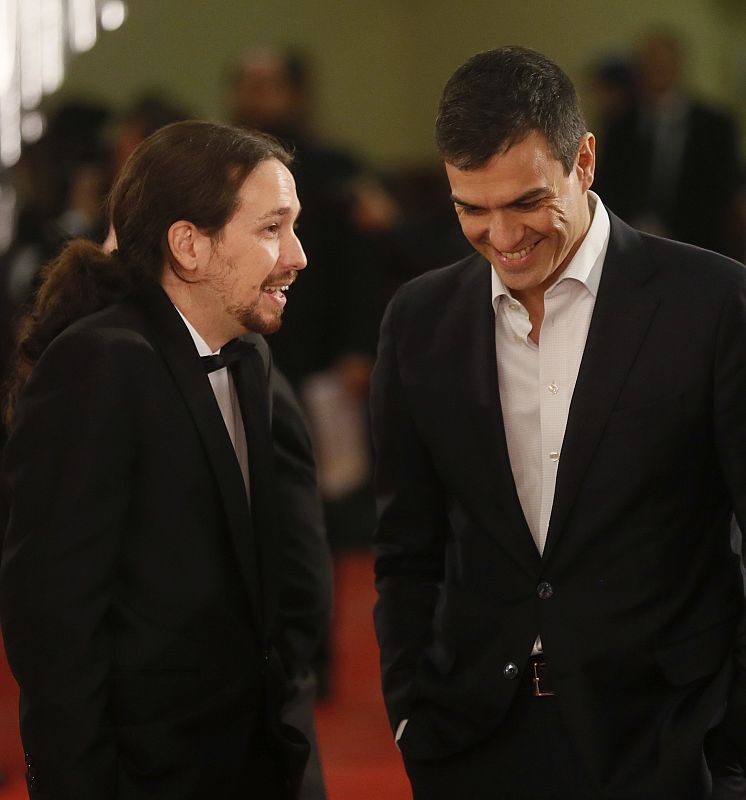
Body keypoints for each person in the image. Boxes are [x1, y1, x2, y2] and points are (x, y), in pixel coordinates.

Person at [371, 46, 746, 800]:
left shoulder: (713, 302)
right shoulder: (419, 320)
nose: (503, 237)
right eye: (471, 209)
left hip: (666, 743)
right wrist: (413, 713)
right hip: (474, 741)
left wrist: (732, 745)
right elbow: (407, 546)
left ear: (585, 161)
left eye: (526, 203)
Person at [0, 119, 326, 799]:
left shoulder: (252, 358)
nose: (297, 254)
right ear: (189, 245)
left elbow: (281, 600)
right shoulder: (98, 365)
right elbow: (57, 622)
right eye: (272, 228)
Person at [594, 28, 741, 258]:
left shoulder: (715, 126)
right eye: (650, 64)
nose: (656, 71)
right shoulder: (620, 124)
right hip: (632, 246)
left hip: (699, 248)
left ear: (678, 65)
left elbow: (723, 193)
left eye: (662, 63)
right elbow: (610, 185)